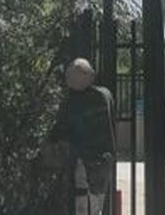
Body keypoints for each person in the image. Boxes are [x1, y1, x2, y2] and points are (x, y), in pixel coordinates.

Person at [53, 58, 116, 215]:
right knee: (94, 202)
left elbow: (63, 128)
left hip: (88, 157)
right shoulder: (104, 94)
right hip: (100, 157)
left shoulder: (75, 100)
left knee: (89, 200)